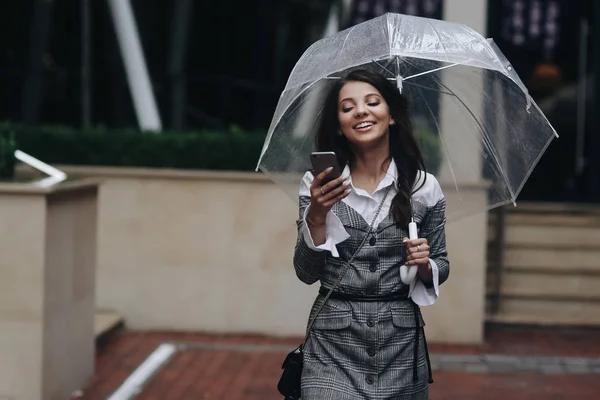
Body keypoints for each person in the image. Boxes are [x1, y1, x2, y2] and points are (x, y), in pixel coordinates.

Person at [293, 69, 449, 399]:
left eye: (373, 102)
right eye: (347, 107)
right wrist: (317, 214)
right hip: (332, 347)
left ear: (390, 115)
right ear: (338, 124)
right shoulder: (317, 185)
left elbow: (442, 264)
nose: (361, 111)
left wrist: (424, 264)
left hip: (402, 348)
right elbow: (306, 272)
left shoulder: (424, 187)